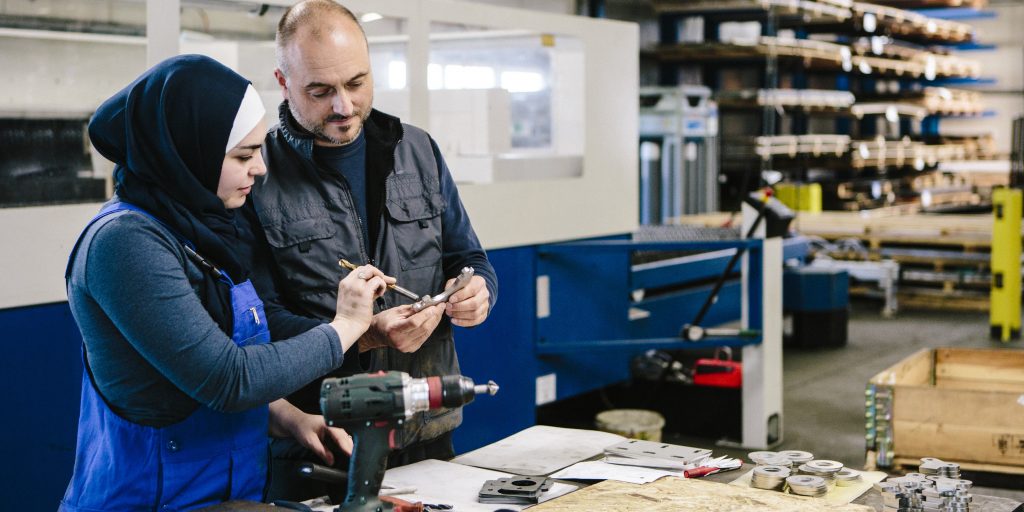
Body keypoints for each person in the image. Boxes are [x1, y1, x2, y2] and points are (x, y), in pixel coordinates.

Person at [59, 54, 393, 511]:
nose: (260, 169)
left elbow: (210, 357)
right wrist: (345, 327)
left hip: (225, 496)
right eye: (243, 155)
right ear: (186, 153)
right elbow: (226, 379)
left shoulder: (202, 227)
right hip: (147, 501)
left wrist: (291, 418)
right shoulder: (124, 244)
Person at [248, 0, 498, 496]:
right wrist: (363, 334)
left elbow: (469, 258)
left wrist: (476, 290)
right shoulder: (257, 174)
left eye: (356, 83)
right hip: (321, 438)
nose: (343, 106)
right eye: (320, 91)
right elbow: (256, 322)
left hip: (426, 427)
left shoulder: (418, 149)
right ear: (283, 81)